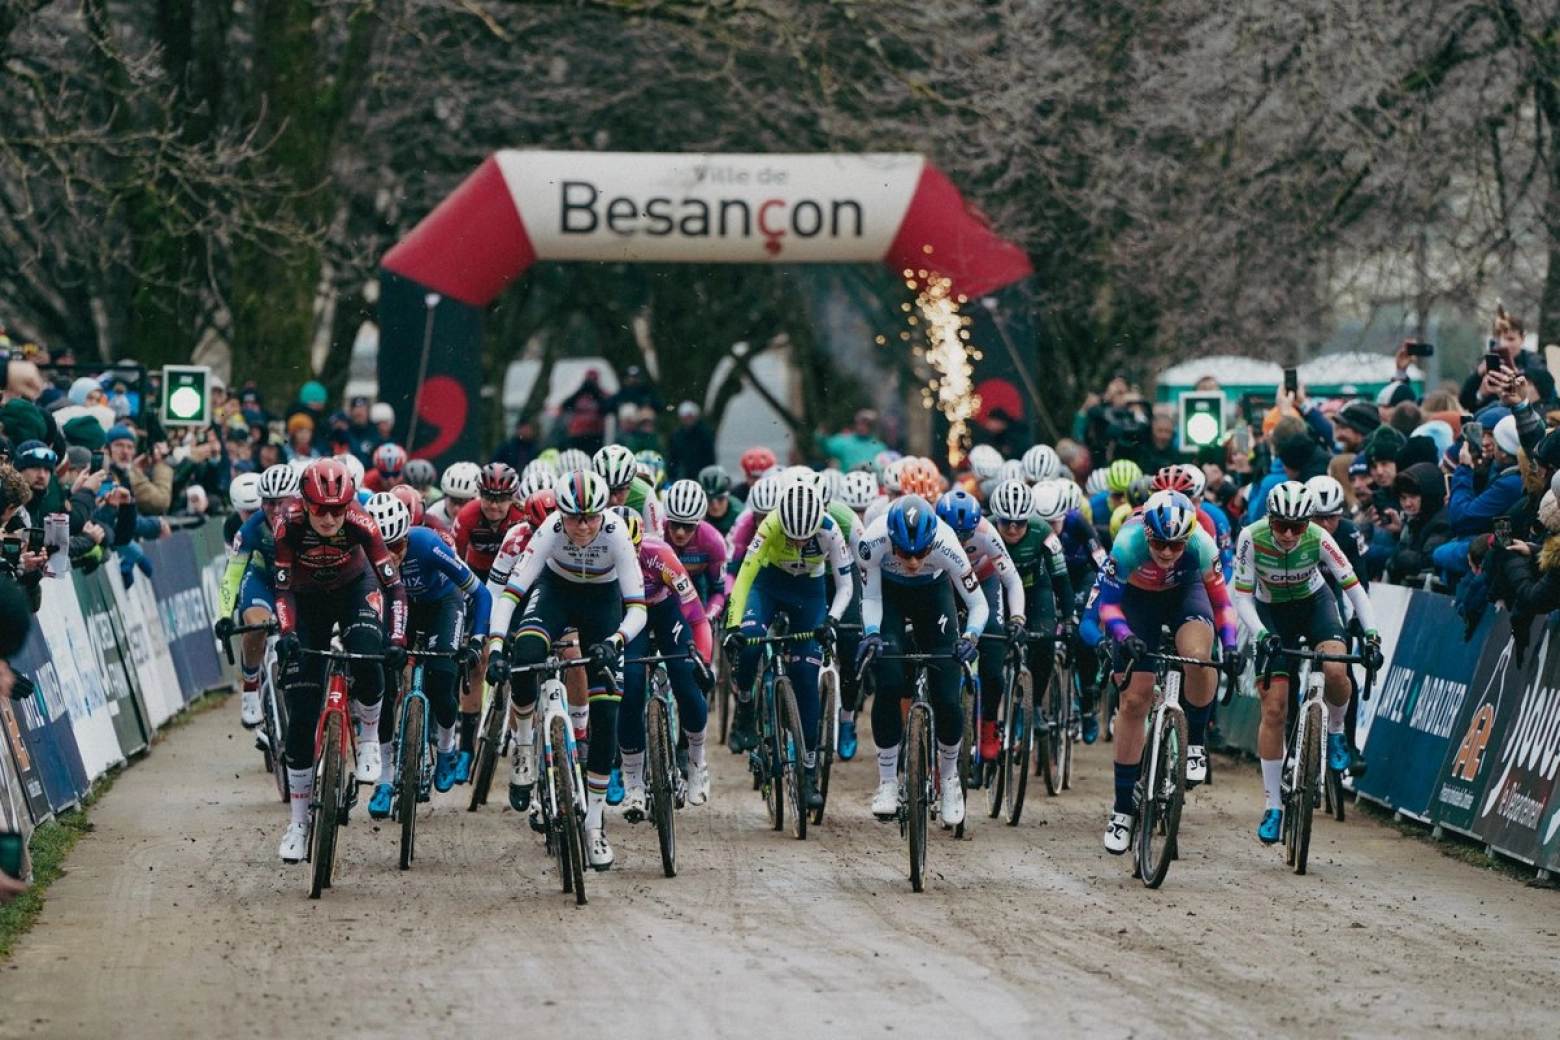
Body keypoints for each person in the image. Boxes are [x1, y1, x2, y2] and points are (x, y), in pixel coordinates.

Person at [483, 471, 645, 871]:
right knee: (526, 651)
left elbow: (638, 608)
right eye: (575, 517)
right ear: (561, 513)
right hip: (555, 593)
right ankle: (523, 747)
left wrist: (615, 642)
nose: (584, 526)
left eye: (591, 516)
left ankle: (593, 825)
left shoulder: (615, 534)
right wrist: (498, 646)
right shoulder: (550, 531)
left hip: (603, 604)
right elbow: (510, 594)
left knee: (607, 713)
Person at [271, 457, 407, 862]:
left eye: (337, 509)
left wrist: (397, 638)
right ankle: (298, 822)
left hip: (353, 589)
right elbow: (281, 591)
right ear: (304, 503)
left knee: (369, 652)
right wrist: (288, 634)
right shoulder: (287, 523)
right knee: (300, 715)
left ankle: (368, 741)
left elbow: (395, 590)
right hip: (306, 599)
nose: (329, 518)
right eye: (320, 509)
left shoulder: (362, 522)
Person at [1232, 482, 1380, 843]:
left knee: (1335, 668)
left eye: (1296, 526)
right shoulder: (1251, 537)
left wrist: (1373, 634)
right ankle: (1273, 805)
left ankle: (1335, 735)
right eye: (1280, 524)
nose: (1286, 534)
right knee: (1275, 709)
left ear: (1308, 522)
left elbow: (1354, 589)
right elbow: (1242, 598)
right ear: (1269, 518)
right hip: (1269, 613)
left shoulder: (1319, 537)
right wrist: (1260, 635)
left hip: (1315, 604)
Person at [1096, 491, 1241, 853]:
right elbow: (1107, 605)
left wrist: (1232, 645)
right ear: (1147, 533)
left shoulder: (1202, 546)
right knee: (1133, 701)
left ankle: (1195, 744)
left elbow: (1222, 605)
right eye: (1159, 542)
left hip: (1184, 594)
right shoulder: (1128, 543)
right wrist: (1125, 636)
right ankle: (1122, 810)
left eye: (1176, 545)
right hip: (1137, 602)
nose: (1166, 552)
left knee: (1197, 655)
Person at [855, 495, 987, 826]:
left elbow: (978, 604)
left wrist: (970, 638)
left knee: (946, 694)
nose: (913, 561)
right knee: (888, 682)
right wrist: (872, 633)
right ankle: (887, 782)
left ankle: (950, 780)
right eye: (903, 552)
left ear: (932, 544)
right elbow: (870, 597)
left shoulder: (947, 543)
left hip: (934, 597)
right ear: (891, 542)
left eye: (921, 552)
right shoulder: (872, 541)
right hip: (891, 597)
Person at [722, 480, 854, 810]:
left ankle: (808, 772)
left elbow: (846, 585)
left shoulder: (829, 529)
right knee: (750, 646)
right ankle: (746, 707)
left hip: (808, 594)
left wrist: (831, 622)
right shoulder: (770, 526)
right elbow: (744, 578)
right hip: (768, 585)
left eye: (804, 536)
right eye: (792, 535)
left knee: (805, 677)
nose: (798, 541)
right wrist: (734, 624)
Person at [363, 492, 491, 817]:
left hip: (441, 606)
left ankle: (446, 748)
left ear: (408, 535)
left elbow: (480, 592)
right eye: (383, 547)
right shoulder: (362, 555)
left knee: (442, 683)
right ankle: (385, 779)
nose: (391, 556)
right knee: (385, 687)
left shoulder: (426, 543)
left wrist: (477, 640)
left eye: (398, 546)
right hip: (397, 608)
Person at [613, 507, 714, 815]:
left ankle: (697, 761)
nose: (630, 557)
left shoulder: (660, 554)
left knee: (685, 680)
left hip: (665, 610)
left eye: (635, 549)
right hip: (629, 617)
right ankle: (633, 784)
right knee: (629, 690)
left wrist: (704, 662)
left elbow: (696, 617)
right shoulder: (599, 559)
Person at [213, 465, 298, 730]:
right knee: (258, 626)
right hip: (262, 581)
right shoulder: (251, 527)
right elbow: (232, 575)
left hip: (297, 585)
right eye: (268, 503)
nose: (274, 510)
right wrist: (225, 615)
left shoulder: (310, 521)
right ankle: (251, 686)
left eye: (281, 502)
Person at [818, 409, 889, 472]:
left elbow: (883, 467)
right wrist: (821, 434)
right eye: (861, 422)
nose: (863, 426)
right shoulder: (843, 441)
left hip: (872, 484)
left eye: (867, 423)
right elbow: (826, 447)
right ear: (856, 423)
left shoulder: (879, 446)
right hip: (847, 483)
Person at [559, 369, 611, 454]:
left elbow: (607, 408)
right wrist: (580, 391)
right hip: (577, 433)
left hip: (595, 433)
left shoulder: (602, 394)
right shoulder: (579, 395)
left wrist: (595, 393)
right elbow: (565, 406)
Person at [668, 401, 716, 482]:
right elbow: (673, 459)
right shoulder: (677, 436)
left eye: (690, 416)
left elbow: (710, 457)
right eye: (685, 417)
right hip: (684, 475)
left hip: (701, 474)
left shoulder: (704, 433)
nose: (688, 420)